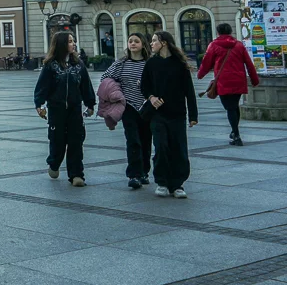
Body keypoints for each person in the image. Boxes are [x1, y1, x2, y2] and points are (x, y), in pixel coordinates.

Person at [33, 32, 95, 186]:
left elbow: (86, 85)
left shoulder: (78, 64)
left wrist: (90, 103)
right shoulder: (51, 65)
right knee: (57, 141)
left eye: (73, 41)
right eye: (69, 41)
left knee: (76, 140)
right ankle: (54, 162)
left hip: (75, 109)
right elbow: (42, 86)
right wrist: (39, 104)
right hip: (56, 109)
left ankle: (76, 175)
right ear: (61, 44)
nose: (73, 44)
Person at [141, 31, 198, 198]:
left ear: (164, 42)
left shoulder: (179, 64)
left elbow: (189, 90)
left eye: (154, 41)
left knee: (179, 149)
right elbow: (144, 86)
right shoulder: (151, 63)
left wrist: (193, 115)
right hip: (158, 114)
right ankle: (162, 182)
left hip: (177, 113)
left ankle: (178, 184)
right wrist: (151, 98)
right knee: (161, 147)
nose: (151, 44)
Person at [198, 23, 260, 146]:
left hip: (223, 81)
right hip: (238, 80)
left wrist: (200, 74)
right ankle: (234, 132)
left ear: (218, 32)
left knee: (230, 108)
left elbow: (206, 62)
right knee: (234, 106)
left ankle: (236, 135)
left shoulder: (214, 45)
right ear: (231, 32)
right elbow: (248, 63)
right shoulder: (238, 45)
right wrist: (254, 80)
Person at [103, 34, 152, 189]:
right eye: (130, 41)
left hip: (146, 106)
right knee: (133, 140)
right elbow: (105, 77)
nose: (132, 44)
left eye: (136, 41)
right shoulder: (121, 63)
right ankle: (134, 175)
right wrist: (116, 90)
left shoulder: (149, 63)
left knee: (145, 140)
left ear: (143, 44)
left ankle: (144, 171)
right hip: (128, 106)